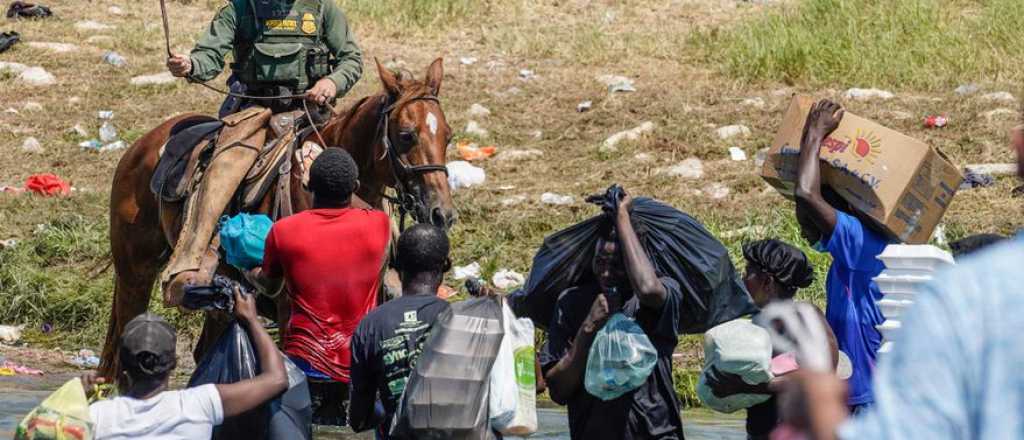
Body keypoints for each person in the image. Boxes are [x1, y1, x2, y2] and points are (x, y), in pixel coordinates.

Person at [159, 0, 363, 307]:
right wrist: (190, 66)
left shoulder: (322, 9)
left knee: (358, 167)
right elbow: (209, 55)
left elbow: (351, 59)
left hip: (309, 112)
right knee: (223, 165)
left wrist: (331, 82)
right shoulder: (240, 9)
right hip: (253, 113)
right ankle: (199, 255)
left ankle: (388, 257)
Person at [248, 148, 390, 425]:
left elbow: (270, 286)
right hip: (359, 364)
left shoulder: (284, 230)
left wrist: (249, 271)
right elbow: (365, 207)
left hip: (304, 364)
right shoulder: (379, 224)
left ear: (309, 185)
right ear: (355, 187)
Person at [540, 188, 685, 440]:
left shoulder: (661, 297)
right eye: (601, 263)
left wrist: (622, 216)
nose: (606, 274)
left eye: (617, 265)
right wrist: (588, 328)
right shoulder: (573, 303)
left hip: (657, 433)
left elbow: (648, 289)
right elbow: (558, 391)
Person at [85, 288, 288, 439]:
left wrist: (81, 401)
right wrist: (252, 320)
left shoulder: (97, 415)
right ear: (173, 364)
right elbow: (277, 379)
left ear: (122, 367)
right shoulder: (197, 405)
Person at [794, 99, 891, 413]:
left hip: (869, 398)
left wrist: (812, 134)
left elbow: (806, 195)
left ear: (846, 210)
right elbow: (806, 209)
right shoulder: (847, 252)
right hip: (849, 396)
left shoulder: (864, 243)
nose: (809, 227)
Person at [707, 239, 839, 440]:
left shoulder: (805, 317)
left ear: (767, 282)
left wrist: (746, 387)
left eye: (748, 273)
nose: (743, 280)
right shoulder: (756, 324)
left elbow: (823, 377)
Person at [348, 224, 453, 439]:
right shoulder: (464, 320)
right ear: (445, 266)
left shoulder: (370, 326)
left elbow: (358, 420)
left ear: (397, 267)